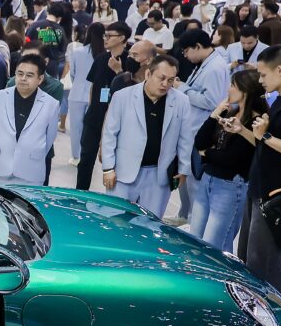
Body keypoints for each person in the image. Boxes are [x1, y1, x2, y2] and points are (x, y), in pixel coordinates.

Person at [236, 46, 281, 293]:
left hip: (277, 199)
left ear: (280, 70)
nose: (260, 80)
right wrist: (252, 132)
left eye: (263, 74)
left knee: (265, 268)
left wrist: (266, 136)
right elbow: (267, 145)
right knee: (248, 260)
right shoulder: (279, 101)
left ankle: (272, 314)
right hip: (259, 190)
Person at [101, 55, 192, 218]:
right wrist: (108, 168)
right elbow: (110, 134)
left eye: (170, 80)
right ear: (148, 74)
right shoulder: (123, 96)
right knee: (114, 219)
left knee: (150, 223)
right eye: (161, 78)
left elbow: (185, 138)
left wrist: (183, 169)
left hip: (158, 175)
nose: (165, 84)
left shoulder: (181, 101)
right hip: (123, 172)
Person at [189, 69, 266, 252]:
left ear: (245, 91)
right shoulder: (230, 112)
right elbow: (199, 142)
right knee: (194, 239)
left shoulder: (256, 122)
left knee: (215, 245)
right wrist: (214, 114)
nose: (228, 89)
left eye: (232, 85)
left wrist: (207, 153)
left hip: (230, 186)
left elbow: (231, 159)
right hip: (208, 180)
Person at [167, 29, 230, 227]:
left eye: (186, 51)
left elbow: (213, 101)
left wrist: (183, 89)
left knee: (195, 182)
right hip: (192, 128)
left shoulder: (215, 67)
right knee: (185, 176)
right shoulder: (205, 64)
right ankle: (185, 215)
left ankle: (194, 223)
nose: (185, 56)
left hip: (201, 130)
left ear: (198, 46)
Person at [0, 53, 58, 185]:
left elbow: (49, 138)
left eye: (29, 75)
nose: (23, 78)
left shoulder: (51, 104)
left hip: (30, 173)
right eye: (20, 74)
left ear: (40, 79)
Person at [77, 22, 131, 189]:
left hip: (118, 122)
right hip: (94, 118)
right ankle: (80, 194)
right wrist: (92, 108)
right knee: (85, 160)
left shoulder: (130, 61)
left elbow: (132, 92)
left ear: (121, 38)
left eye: (109, 36)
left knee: (117, 165)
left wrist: (119, 72)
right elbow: (93, 86)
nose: (105, 39)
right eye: (104, 36)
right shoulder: (101, 58)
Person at [67, 22, 104, 165]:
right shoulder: (104, 54)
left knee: (75, 128)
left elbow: (72, 73)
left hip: (76, 93)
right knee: (92, 128)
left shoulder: (77, 52)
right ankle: (87, 155)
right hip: (96, 95)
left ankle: (75, 156)